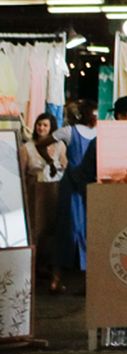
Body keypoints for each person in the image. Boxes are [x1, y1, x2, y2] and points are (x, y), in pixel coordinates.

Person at [49, 102, 95, 292]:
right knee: (70, 228)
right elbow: (44, 142)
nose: (95, 117)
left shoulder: (95, 133)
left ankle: (80, 280)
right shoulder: (69, 131)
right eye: (93, 113)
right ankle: (57, 278)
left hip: (87, 184)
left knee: (85, 230)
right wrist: (50, 162)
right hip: (76, 185)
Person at [21, 113, 65, 285]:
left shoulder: (60, 146)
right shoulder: (28, 147)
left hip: (54, 190)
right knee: (35, 227)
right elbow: (23, 170)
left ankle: (48, 264)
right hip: (35, 191)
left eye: (45, 125)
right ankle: (32, 264)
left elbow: (64, 164)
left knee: (52, 228)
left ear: (52, 127)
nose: (41, 128)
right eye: (39, 124)